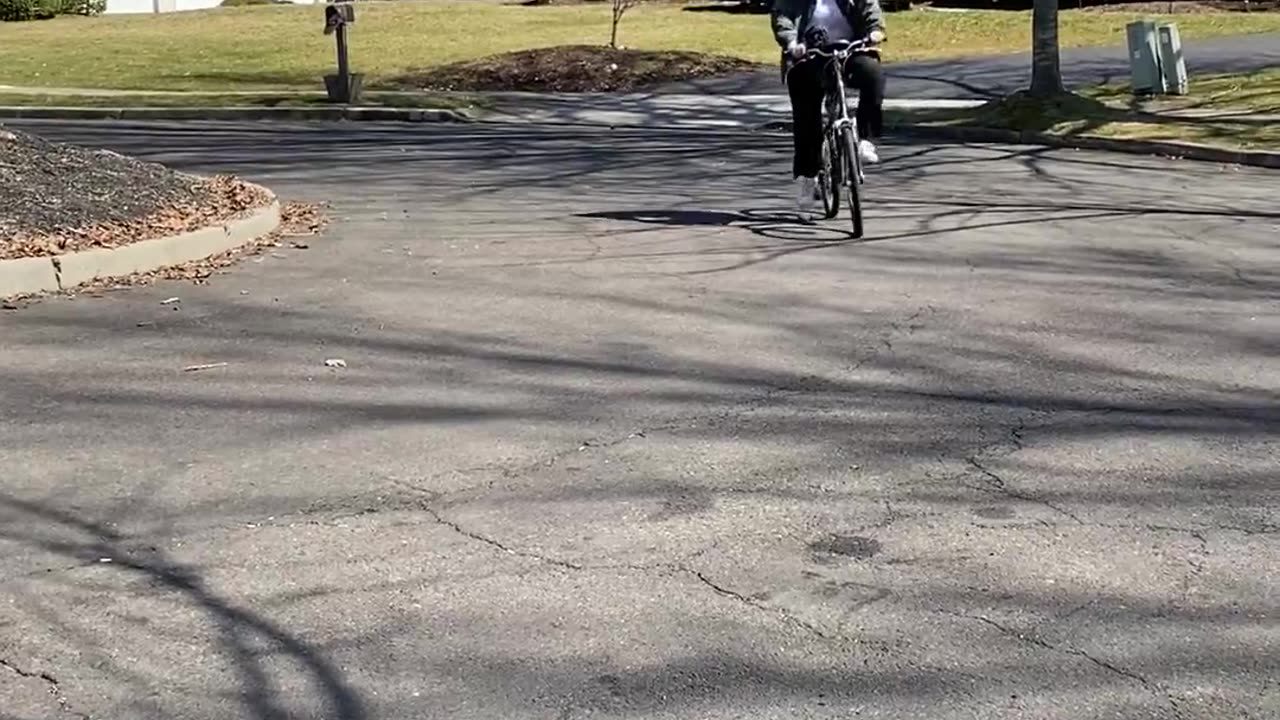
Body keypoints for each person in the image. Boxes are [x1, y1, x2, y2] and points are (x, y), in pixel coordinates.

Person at [771, 0, 887, 210]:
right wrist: (791, 43)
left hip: (849, 51)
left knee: (873, 75)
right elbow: (782, 18)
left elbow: (870, 8)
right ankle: (808, 177)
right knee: (806, 116)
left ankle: (865, 140)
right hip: (808, 54)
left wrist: (875, 30)